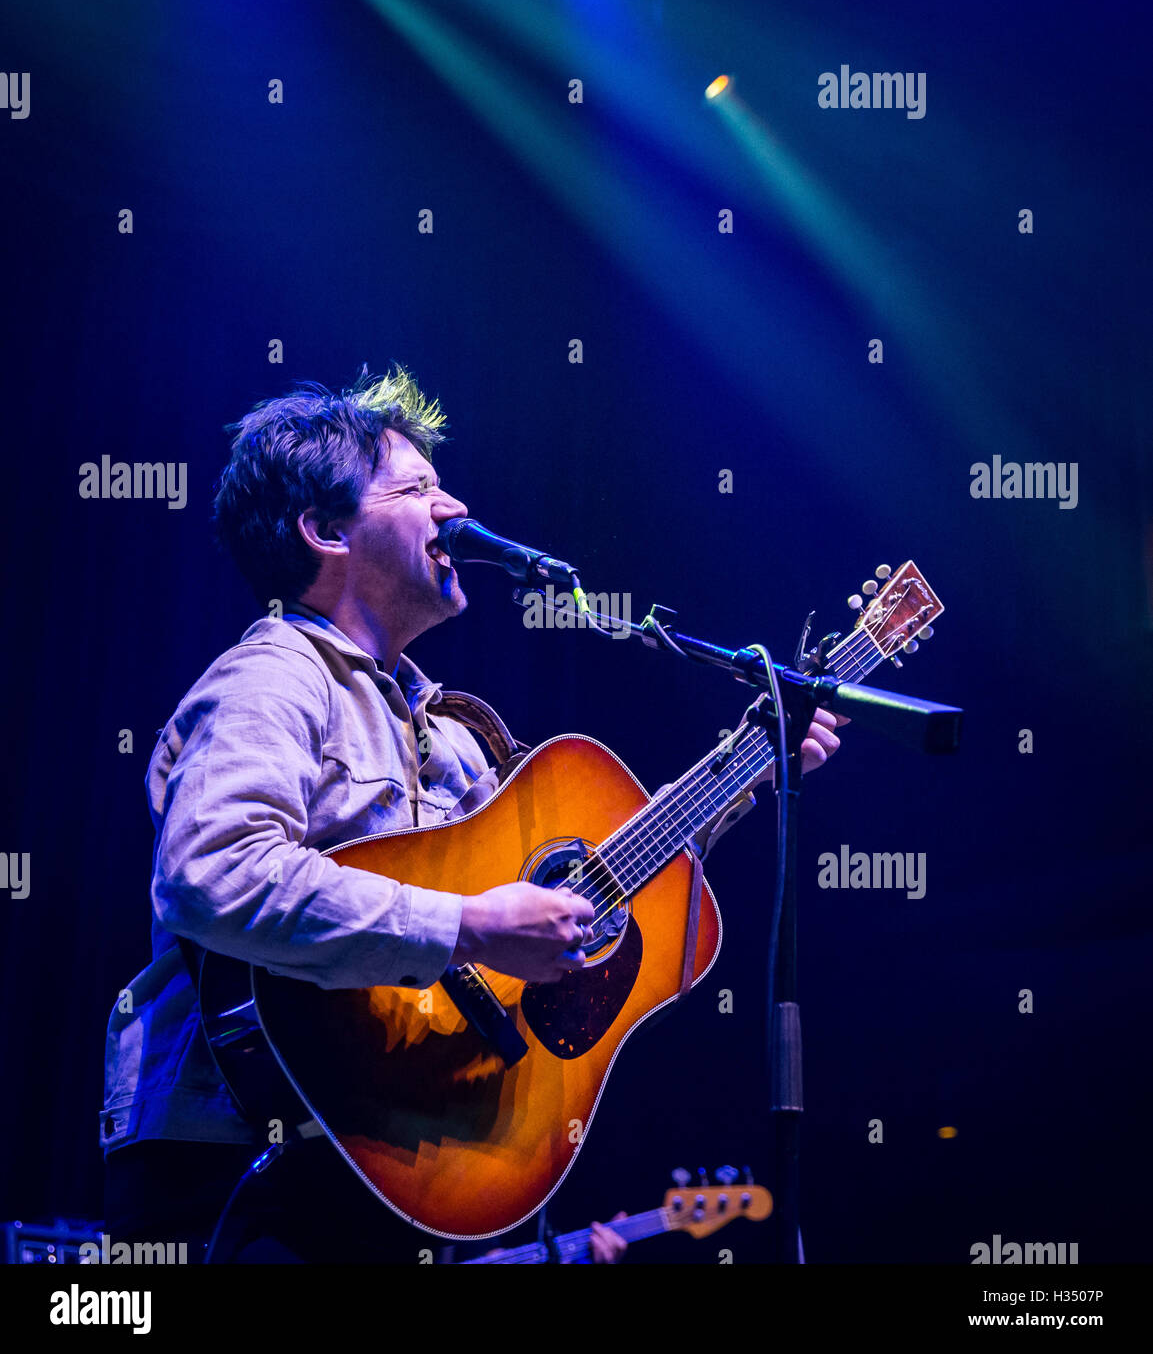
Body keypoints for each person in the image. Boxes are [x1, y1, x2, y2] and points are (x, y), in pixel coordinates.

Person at [100, 366, 845, 1263]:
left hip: (406, 1153)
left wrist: (746, 776)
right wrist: (467, 923)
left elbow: (588, 893)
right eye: (417, 488)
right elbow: (213, 876)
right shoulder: (273, 676)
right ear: (325, 530)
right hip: (243, 1163)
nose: (454, 507)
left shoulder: (451, 733)